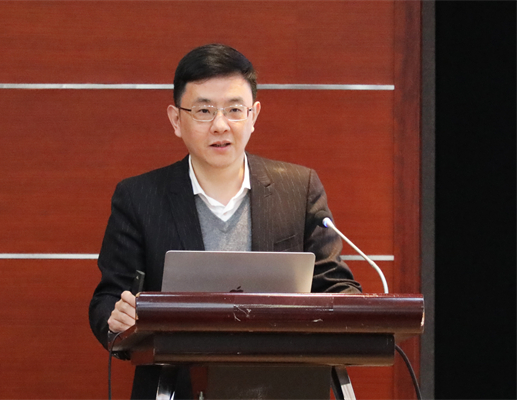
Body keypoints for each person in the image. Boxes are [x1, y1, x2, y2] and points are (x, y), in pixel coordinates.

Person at [89, 43, 361, 399]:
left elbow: (336, 287)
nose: (220, 125)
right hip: (175, 389)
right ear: (176, 119)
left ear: (254, 115)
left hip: (284, 387)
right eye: (204, 110)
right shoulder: (139, 197)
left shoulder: (299, 189)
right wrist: (118, 318)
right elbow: (109, 298)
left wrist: (351, 311)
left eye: (234, 110)